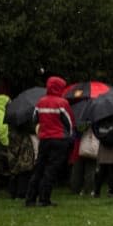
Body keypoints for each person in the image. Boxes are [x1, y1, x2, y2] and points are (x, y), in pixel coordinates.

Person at [25, 76, 75, 207]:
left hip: (44, 139)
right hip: (59, 140)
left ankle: (30, 199)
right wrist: (69, 137)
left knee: (39, 168)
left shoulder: (40, 102)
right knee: (51, 170)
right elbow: (69, 123)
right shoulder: (62, 103)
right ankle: (44, 199)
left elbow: (34, 119)